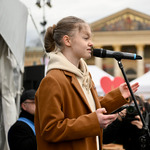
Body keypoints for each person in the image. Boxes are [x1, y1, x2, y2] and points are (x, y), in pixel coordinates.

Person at [34, 16, 139, 150]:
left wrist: (118, 96)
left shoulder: (83, 75)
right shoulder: (52, 80)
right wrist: (94, 122)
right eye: (86, 38)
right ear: (67, 40)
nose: (91, 43)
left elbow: (89, 109)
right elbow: (50, 129)